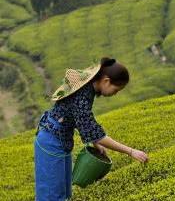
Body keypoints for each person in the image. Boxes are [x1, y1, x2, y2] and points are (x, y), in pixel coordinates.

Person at [34, 58, 149, 201]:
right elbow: (94, 131)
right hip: (51, 143)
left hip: (60, 141)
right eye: (116, 89)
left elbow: (80, 120)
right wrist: (131, 151)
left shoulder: (88, 89)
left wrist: (95, 143)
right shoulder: (83, 94)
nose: (116, 93)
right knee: (51, 197)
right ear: (106, 81)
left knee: (63, 194)